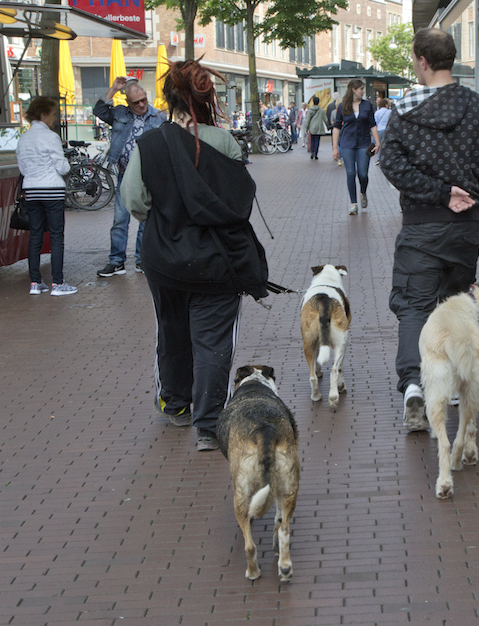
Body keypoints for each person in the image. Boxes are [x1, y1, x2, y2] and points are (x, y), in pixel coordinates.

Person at [121, 59, 272, 451]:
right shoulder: (223, 143)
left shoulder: (151, 144)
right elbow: (241, 200)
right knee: (213, 341)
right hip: (218, 261)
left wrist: (165, 217)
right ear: (207, 98)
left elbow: (134, 200)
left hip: (165, 259)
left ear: (167, 99)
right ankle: (208, 425)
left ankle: (176, 406)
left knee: (171, 331)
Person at [379, 27, 479, 431]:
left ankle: (414, 386)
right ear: (451, 58)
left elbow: (391, 164)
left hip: (421, 228)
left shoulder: (404, 111)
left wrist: (438, 193)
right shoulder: (478, 108)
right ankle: (454, 384)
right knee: (456, 306)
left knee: (413, 307)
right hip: (465, 231)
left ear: (422, 60)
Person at [93, 77, 166, 277]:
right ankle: (116, 261)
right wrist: (114, 89)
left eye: (144, 99)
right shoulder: (119, 114)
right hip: (126, 175)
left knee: (146, 220)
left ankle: (142, 260)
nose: (142, 104)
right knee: (120, 219)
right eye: (136, 102)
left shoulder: (159, 117)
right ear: (128, 103)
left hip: (149, 175)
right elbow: (99, 111)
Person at [16, 96, 77, 297]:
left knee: (35, 236)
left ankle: (35, 282)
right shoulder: (51, 137)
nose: (54, 119)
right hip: (52, 190)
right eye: (52, 114)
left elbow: (23, 168)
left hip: (32, 191)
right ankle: (57, 283)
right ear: (43, 114)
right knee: (56, 236)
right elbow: (61, 166)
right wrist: (67, 165)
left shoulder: (23, 138)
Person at [331, 79, 380, 216]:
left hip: (364, 143)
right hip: (347, 143)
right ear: (354, 89)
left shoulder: (367, 105)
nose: (363, 91)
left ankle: (363, 192)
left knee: (363, 174)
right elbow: (336, 127)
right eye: (361, 89)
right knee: (350, 173)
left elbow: (372, 124)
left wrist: (377, 143)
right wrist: (335, 147)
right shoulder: (343, 106)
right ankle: (353, 204)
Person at [303, 96, 329, 160]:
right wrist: (328, 126)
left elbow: (308, 119)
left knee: (312, 140)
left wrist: (306, 128)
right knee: (317, 140)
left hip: (312, 127)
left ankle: (312, 152)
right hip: (319, 127)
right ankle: (316, 153)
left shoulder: (310, 110)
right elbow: (325, 119)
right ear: (318, 102)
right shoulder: (321, 110)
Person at [374, 97, 392, 165]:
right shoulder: (390, 112)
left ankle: (378, 159)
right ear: (386, 104)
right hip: (388, 130)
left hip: (379, 130)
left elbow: (375, 122)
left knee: (379, 144)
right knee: (388, 144)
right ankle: (388, 158)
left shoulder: (377, 112)